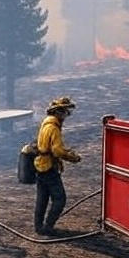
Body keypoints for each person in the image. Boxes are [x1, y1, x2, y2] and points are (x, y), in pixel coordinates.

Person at [34, 96, 81, 236]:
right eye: (66, 112)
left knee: (42, 199)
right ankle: (48, 227)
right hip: (49, 167)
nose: (67, 116)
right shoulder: (53, 127)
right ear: (59, 112)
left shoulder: (46, 123)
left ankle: (39, 227)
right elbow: (57, 150)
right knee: (60, 199)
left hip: (40, 165)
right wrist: (72, 157)